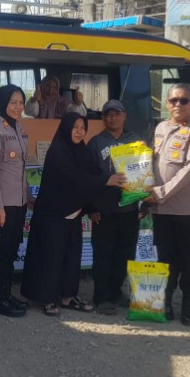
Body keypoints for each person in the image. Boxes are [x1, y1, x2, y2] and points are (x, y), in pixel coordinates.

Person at [21, 113, 126, 316]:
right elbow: (75, 179)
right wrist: (105, 181)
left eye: (82, 127)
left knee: (71, 256)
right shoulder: (58, 152)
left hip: (73, 214)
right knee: (51, 257)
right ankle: (47, 298)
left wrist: (94, 206)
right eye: (75, 127)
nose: (79, 131)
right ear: (66, 128)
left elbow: (91, 175)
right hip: (52, 215)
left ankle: (68, 296)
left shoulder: (82, 151)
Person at [144, 83, 190, 327]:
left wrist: (160, 193)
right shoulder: (161, 128)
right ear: (166, 103)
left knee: (189, 260)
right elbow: (152, 163)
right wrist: (141, 192)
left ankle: (189, 307)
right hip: (162, 210)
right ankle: (166, 303)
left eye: (184, 100)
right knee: (165, 258)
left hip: (188, 211)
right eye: (173, 100)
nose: (178, 105)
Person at [86, 100, 141, 315]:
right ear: (103, 118)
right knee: (103, 256)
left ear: (124, 116)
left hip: (130, 209)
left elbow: (144, 172)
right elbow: (88, 177)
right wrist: (92, 207)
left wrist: (144, 201)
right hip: (104, 210)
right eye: (108, 114)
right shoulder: (96, 143)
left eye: (117, 114)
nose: (113, 118)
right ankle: (101, 297)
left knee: (124, 255)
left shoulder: (135, 141)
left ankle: (116, 292)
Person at [0, 84, 31, 318]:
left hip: (19, 202)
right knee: (2, 251)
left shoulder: (20, 129)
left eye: (21, 103)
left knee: (12, 249)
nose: (18, 107)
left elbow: (21, 168)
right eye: (13, 102)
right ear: (3, 103)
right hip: (3, 204)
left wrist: (28, 197)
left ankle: (7, 293)